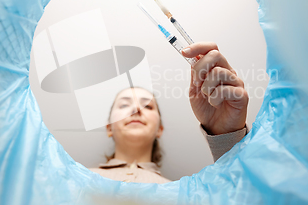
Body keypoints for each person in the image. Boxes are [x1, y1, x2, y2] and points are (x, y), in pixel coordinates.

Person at [89, 42, 249, 183]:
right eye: (124, 105)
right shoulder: (74, 179)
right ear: (109, 127)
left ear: (160, 129)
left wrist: (227, 140)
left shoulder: (183, 196)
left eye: (148, 107)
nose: (136, 109)